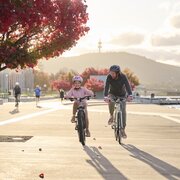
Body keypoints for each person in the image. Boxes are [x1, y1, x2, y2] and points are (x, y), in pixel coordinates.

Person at [104, 65, 133, 138]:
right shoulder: (109, 77)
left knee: (123, 111)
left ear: (117, 73)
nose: (111, 74)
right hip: (112, 94)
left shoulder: (123, 76)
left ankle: (123, 129)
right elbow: (106, 86)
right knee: (111, 101)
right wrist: (105, 96)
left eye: (113, 73)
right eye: (110, 73)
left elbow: (127, 86)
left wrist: (130, 95)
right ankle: (111, 116)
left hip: (122, 95)